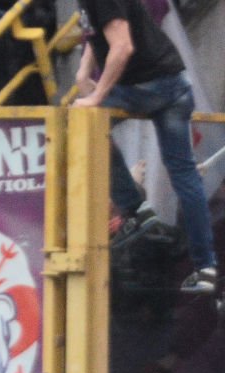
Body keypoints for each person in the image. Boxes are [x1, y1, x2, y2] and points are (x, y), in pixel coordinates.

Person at [74, 0, 217, 293]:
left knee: (80, 123)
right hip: (175, 83)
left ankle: (136, 209)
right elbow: (101, 30)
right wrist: (83, 72)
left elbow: (122, 45)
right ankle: (206, 268)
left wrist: (97, 95)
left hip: (146, 85)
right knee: (185, 176)